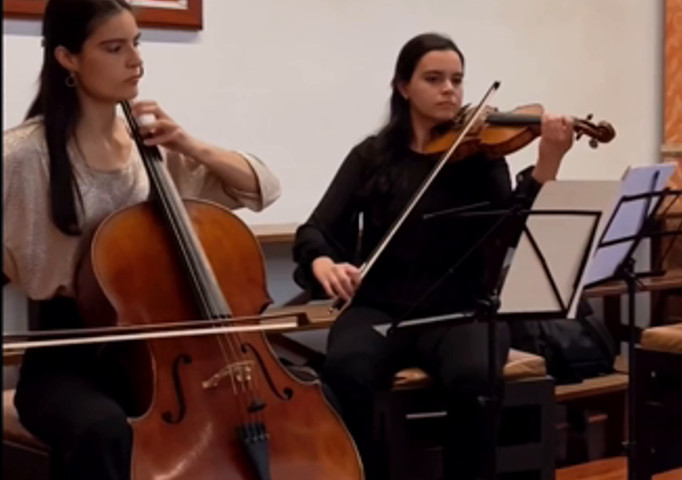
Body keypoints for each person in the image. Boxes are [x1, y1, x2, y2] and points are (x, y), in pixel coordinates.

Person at [2, 1, 281, 478]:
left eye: (136, 43)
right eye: (114, 48)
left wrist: (189, 145)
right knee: (104, 430)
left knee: (274, 405)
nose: (135, 61)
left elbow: (261, 189)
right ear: (67, 58)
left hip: (162, 354)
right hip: (65, 360)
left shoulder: (152, 149)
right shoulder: (24, 157)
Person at [292, 32, 575, 479]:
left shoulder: (481, 155)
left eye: (457, 80)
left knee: (475, 377)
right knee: (347, 371)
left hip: (461, 310)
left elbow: (512, 230)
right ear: (403, 87)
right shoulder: (372, 157)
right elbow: (317, 229)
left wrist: (549, 162)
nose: (450, 90)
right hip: (380, 307)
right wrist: (322, 263)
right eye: (434, 78)